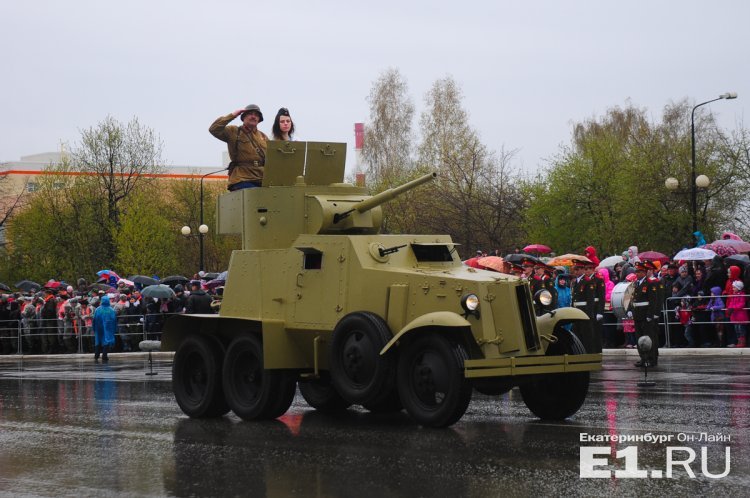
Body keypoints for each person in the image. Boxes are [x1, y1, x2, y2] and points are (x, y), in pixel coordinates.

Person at [209, 104, 268, 191]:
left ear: (259, 119)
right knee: (254, 195)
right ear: (243, 117)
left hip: (262, 178)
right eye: (250, 114)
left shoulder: (263, 137)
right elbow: (214, 129)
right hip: (242, 178)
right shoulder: (234, 131)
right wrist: (233, 115)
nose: (253, 116)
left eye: (256, 115)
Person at [629, 261, 660, 367]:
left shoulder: (650, 283)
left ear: (645, 272)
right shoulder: (636, 283)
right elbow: (633, 298)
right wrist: (630, 309)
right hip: (637, 314)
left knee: (648, 338)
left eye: (639, 271)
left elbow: (653, 301)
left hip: (645, 314)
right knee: (639, 337)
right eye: (636, 271)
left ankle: (651, 359)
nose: (637, 273)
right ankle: (643, 358)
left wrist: (650, 315)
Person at [92, 295, 117, 362]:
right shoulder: (111, 310)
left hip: (98, 328)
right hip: (108, 328)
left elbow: (94, 319)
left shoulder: (98, 309)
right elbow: (114, 320)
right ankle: (104, 355)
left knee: (98, 341)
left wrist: (94, 328)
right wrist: (114, 328)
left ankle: (96, 355)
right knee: (107, 341)